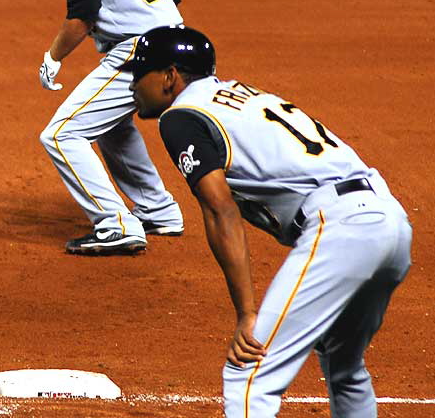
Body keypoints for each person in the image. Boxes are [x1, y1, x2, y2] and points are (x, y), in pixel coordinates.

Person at [122, 25, 413, 417]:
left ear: (170, 76)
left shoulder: (181, 116)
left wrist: (246, 314)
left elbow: (219, 208)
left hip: (344, 228)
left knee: (248, 372)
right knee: (343, 363)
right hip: (389, 221)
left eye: (140, 74)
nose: (133, 85)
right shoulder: (237, 96)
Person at [29, 0, 184, 255]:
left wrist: (53, 56)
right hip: (172, 39)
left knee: (61, 135)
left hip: (140, 49)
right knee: (113, 125)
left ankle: (115, 224)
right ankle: (158, 210)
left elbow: (82, 13)